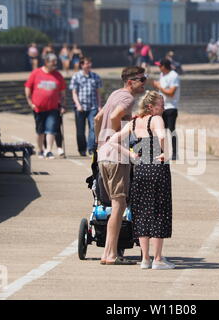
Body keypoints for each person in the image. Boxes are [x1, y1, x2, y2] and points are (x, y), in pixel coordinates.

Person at [100, 90, 174, 270]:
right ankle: (157, 259)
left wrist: (131, 154)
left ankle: (145, 260)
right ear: (151, 107)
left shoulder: (134, 122)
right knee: (159, 211)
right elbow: (163, 137)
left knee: (142, 212)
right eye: (160, 105)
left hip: (140, 168)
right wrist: (166, 153)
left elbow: (113, 141)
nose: (163, 108)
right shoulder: (155, 119)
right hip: (156, 168)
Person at [94, 66, 146, 265]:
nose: (145, 83)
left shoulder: (115, 94)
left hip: (102, 156)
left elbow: (98, 118)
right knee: (118, 205)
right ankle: (110, 254)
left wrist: (100, 142)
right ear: (130, 82)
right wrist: (116, 138)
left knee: (115, 204)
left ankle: (108, 252)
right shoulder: (127, 98)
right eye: (142, 79)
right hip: (116, 157)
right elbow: (115, 117)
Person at [25, 53, 67, 159]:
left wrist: (62, 105)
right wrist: (30, 103)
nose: (55, 64)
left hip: (53, 108)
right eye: (53, 63)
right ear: (46, 62)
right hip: (38, 108)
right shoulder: (36, 73)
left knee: (51, 130)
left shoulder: (58, 75)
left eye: (56, 62)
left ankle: (48, 150)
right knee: (40, 131)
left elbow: (63, 93)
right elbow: (28, 87)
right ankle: (40, 150)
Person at [70, 57, 102, 157]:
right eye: (86, 63)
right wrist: (78, 105)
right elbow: (74, 93)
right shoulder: (76, 77)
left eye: (89, 63)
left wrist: (100, 106)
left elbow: (98, 93)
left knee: (93, 127)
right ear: (82, 65)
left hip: (93, 107)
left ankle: (91, 148)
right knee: (80, 131)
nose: (88, 65)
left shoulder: (95, 76)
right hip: (80, 107)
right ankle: (82, 149)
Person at [153, 59, 180, 160]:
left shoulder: (174, 75)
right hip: (161, 107)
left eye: (160, 66)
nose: (159, 68)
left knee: (171, 130)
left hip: (171, 107)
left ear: (164, 66)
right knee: (160, 131)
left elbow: (171, 93)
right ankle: (162, 152)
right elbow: (162, 91)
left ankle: (174, 153)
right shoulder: (162, 75)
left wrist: (159, 86)